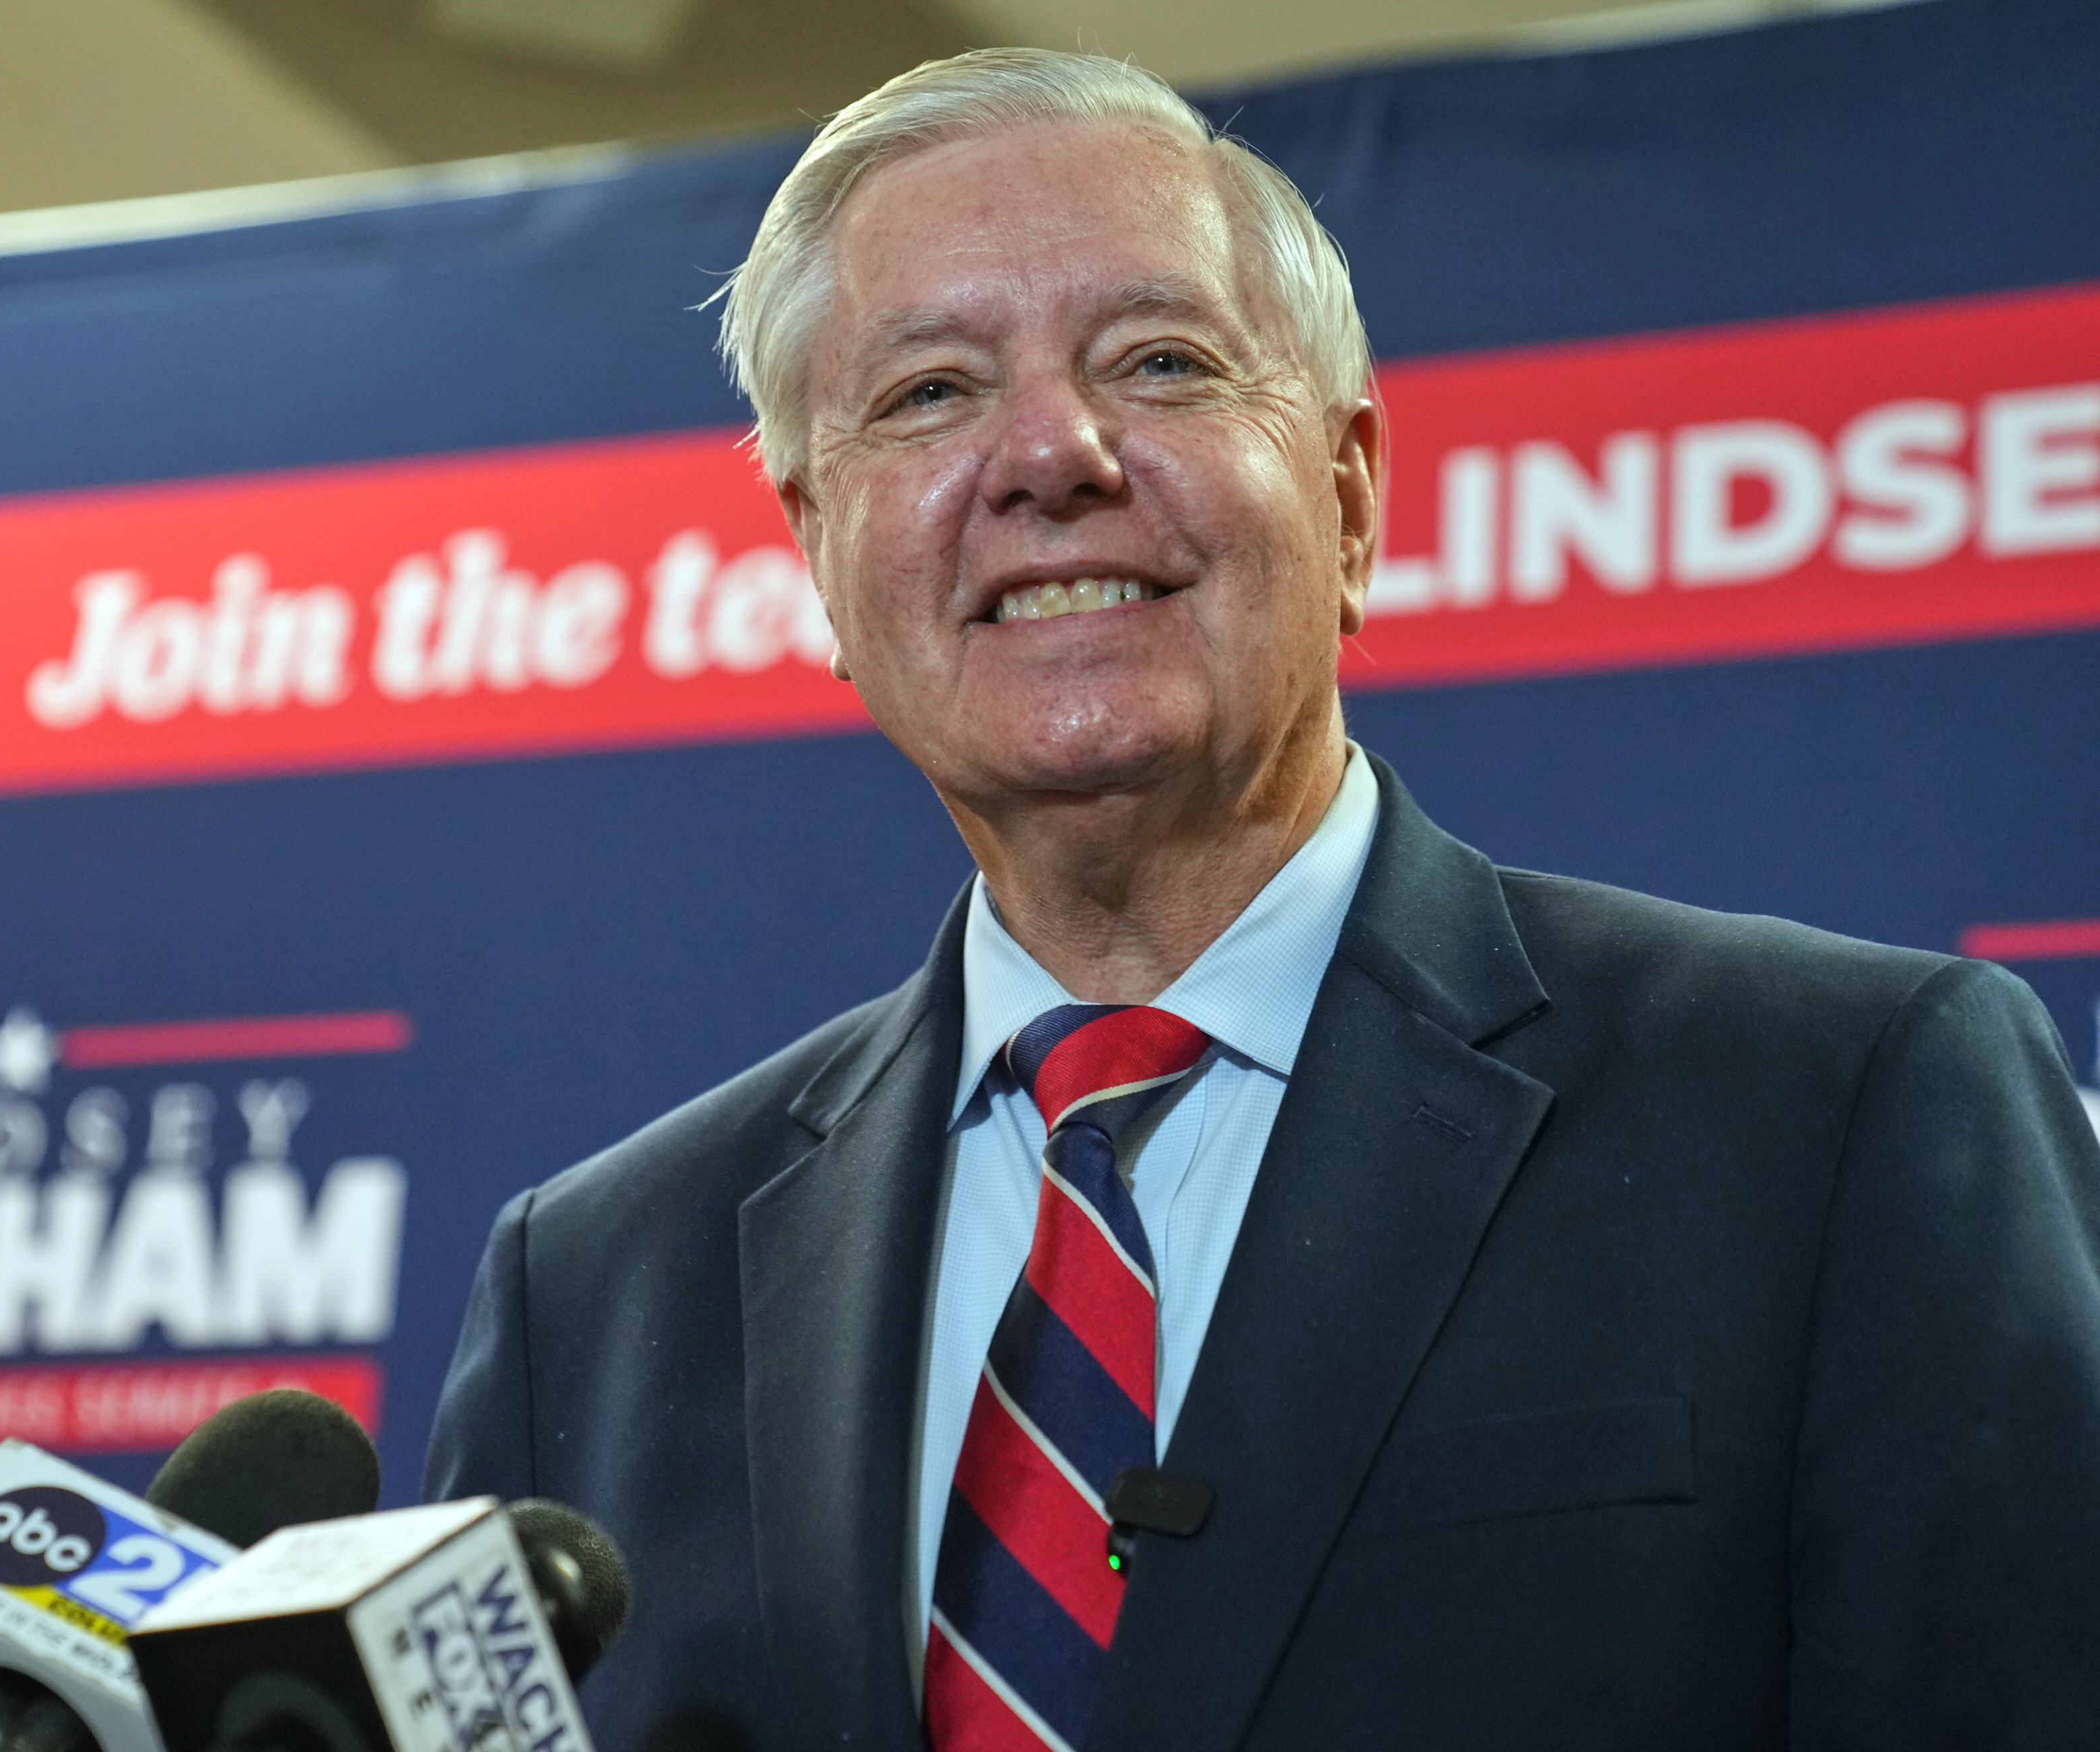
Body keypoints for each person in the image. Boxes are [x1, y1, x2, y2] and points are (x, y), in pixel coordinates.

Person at [425, 48, 2100, 1751]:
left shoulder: (1839, 1111)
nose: (1049, 454)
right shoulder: (601, 1288)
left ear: (1351, 493)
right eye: (927, 393)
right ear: (817, 551)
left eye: (1157, 362)